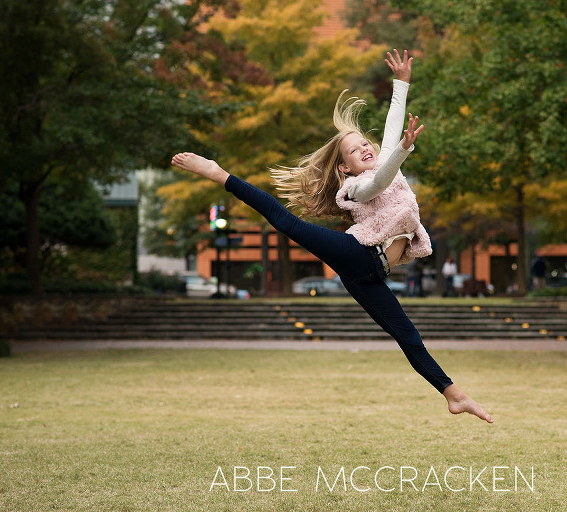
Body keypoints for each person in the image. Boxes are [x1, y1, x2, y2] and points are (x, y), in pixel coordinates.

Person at [172, 49, 492, 424]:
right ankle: (217, 173)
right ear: (345, 166)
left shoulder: (388, 164)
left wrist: (401, 84)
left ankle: (454, 396)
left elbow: (390, 131)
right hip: (356, 254)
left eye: (365, 144)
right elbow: (381, 178)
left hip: (369, 275)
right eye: (355, 150)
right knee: (284, 221)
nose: (365, 148)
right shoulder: (357, 187)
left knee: (406, 334)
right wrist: (403, 151)